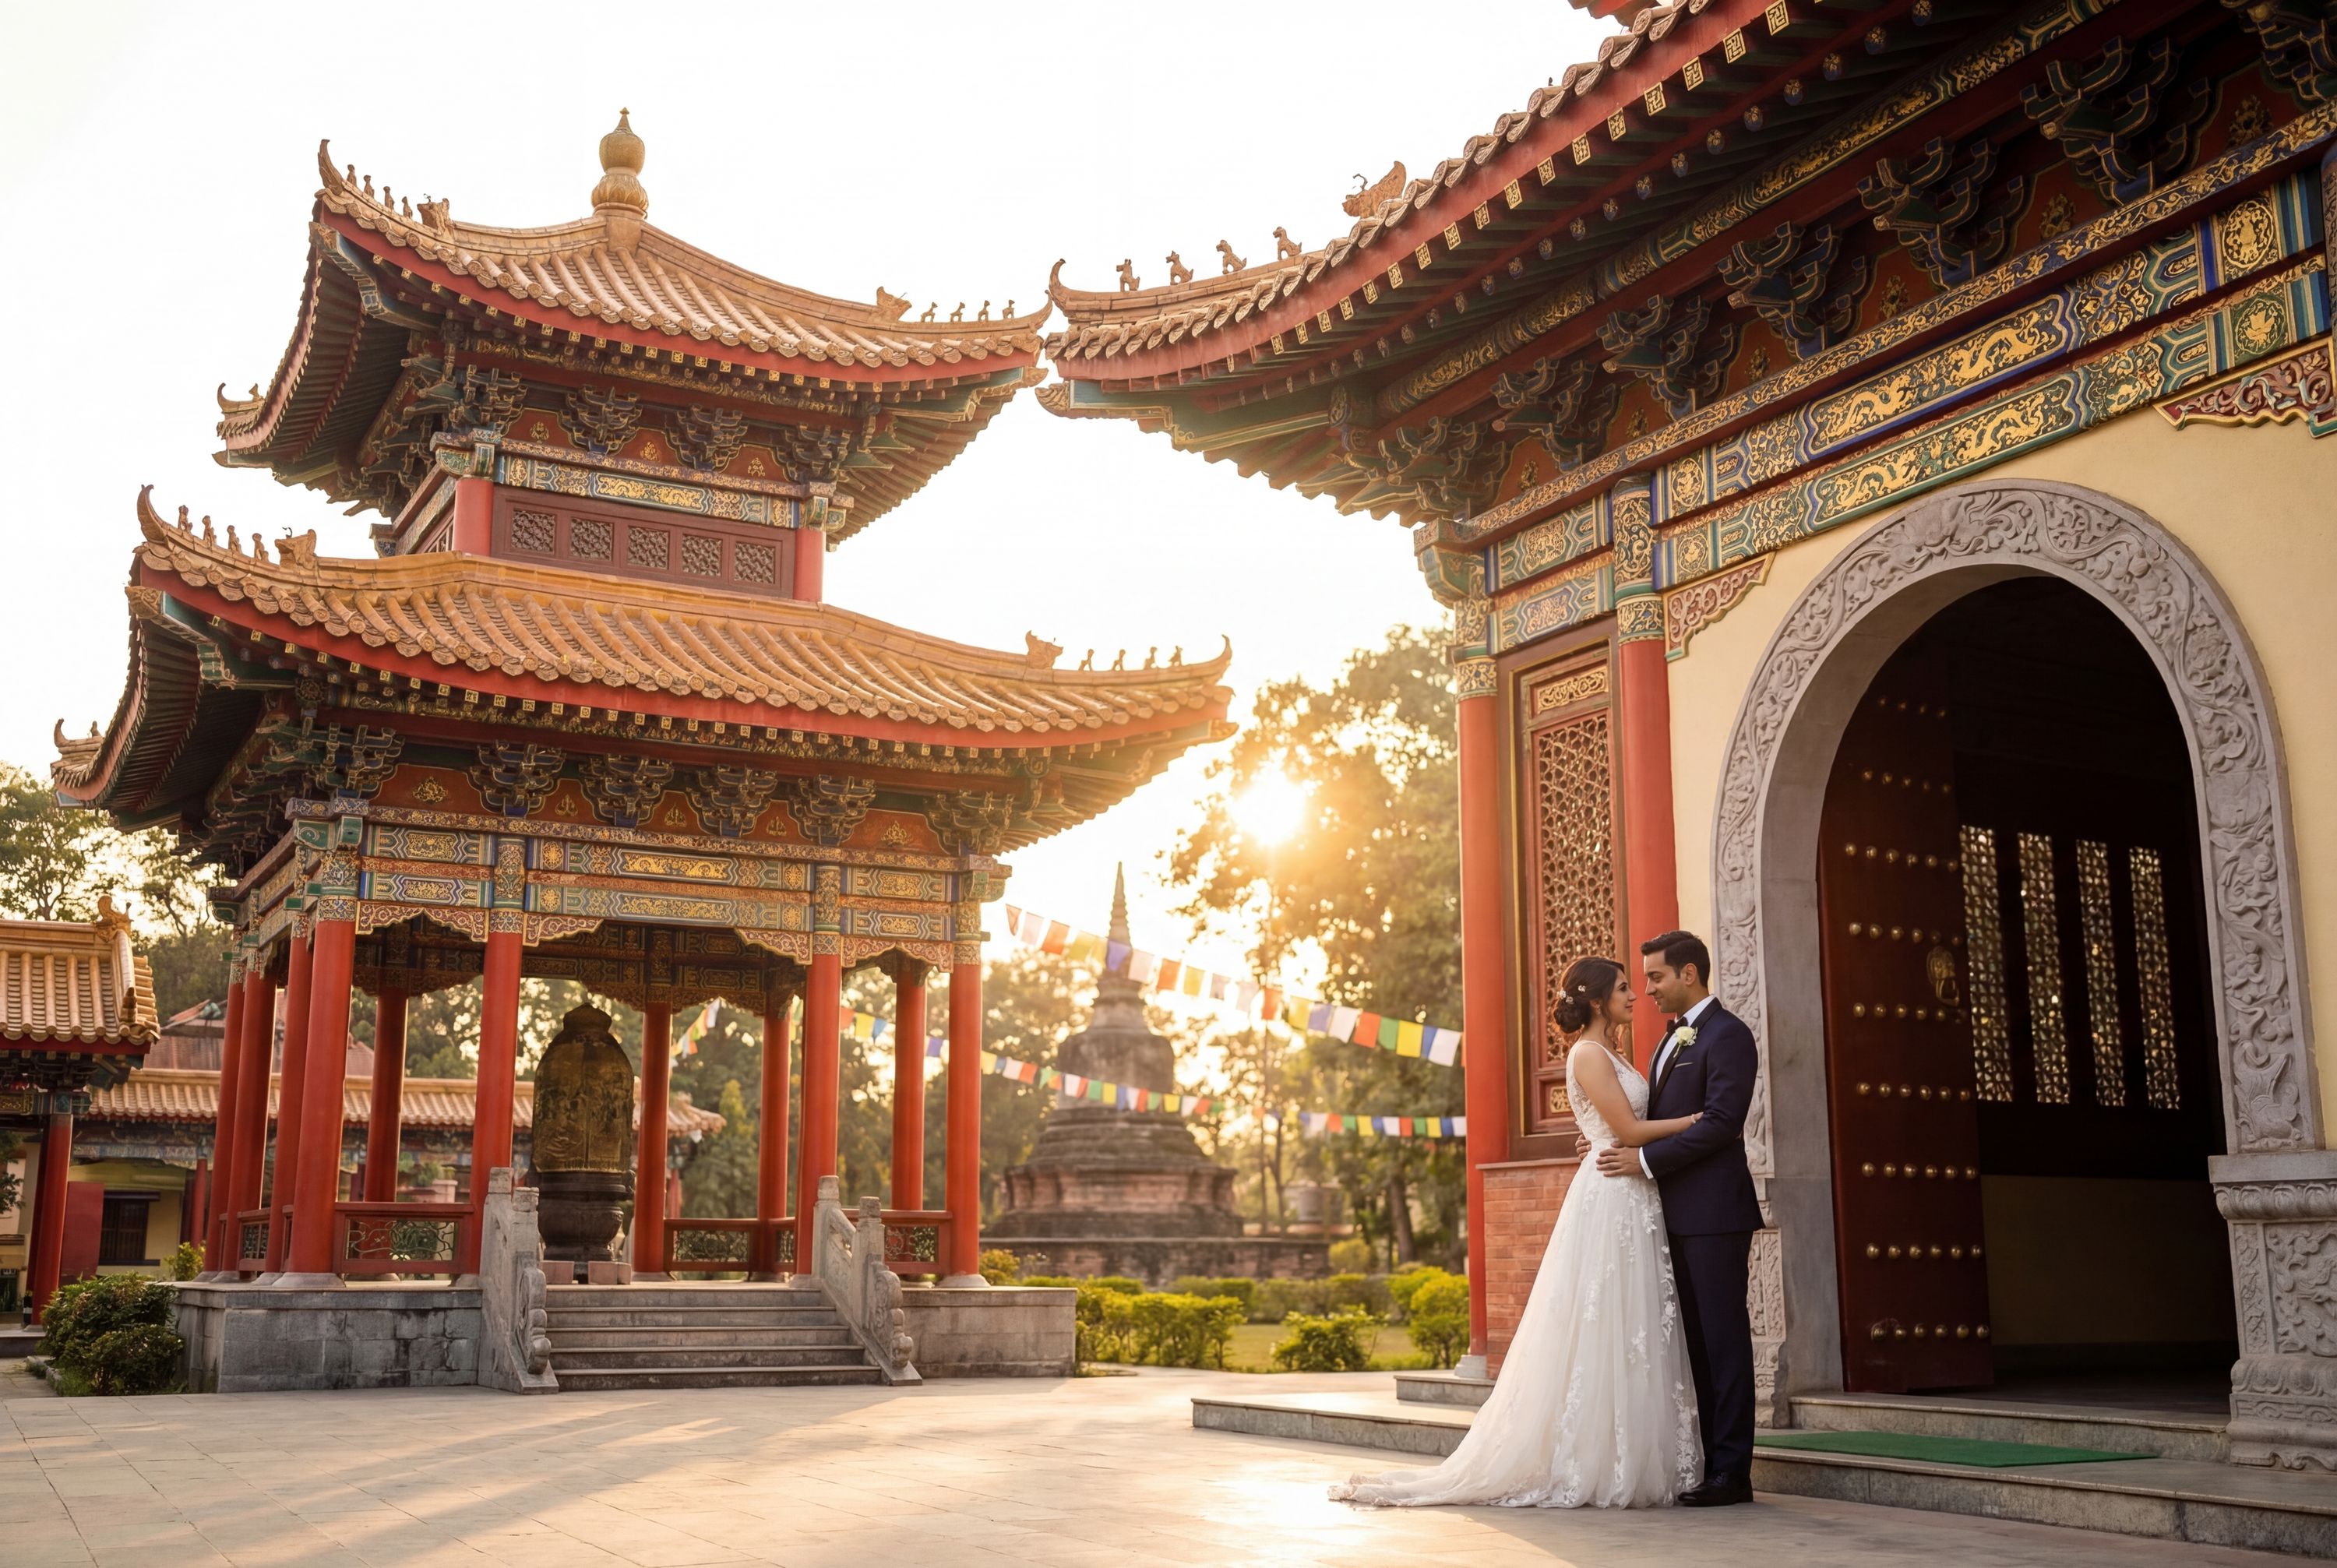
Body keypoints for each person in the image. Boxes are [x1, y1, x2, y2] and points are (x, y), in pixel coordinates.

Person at [1329, 957, 1701, 1509]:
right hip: (1611, 1194)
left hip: (1631, 1190)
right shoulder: (1587, 1053)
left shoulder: (1614, 1052)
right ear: (1597, 1000)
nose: (1634, 995)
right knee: (1605, 1315)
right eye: (1624, 987)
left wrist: (1612, 1136)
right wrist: (1695, 1121)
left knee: (1631, 1321)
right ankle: (1596, 1459)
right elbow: (1625, 1129)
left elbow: (1613, 1125)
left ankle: (1626, 1450)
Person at [1588, 929, 1764, 1507]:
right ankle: (1709, 1463)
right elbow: (1652, 1118)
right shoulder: (1668, 1038)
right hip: (1667, 1213)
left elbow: (1720, 1123)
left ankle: (1732, 1472)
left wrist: (1642, 1160)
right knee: (1693, 1346)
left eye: (1656, 977)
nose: (1648, 989)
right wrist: (1614, 1141)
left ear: (1689, 973)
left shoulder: (1729, 1035)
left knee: (1723, 1342)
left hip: (1714, 1213)